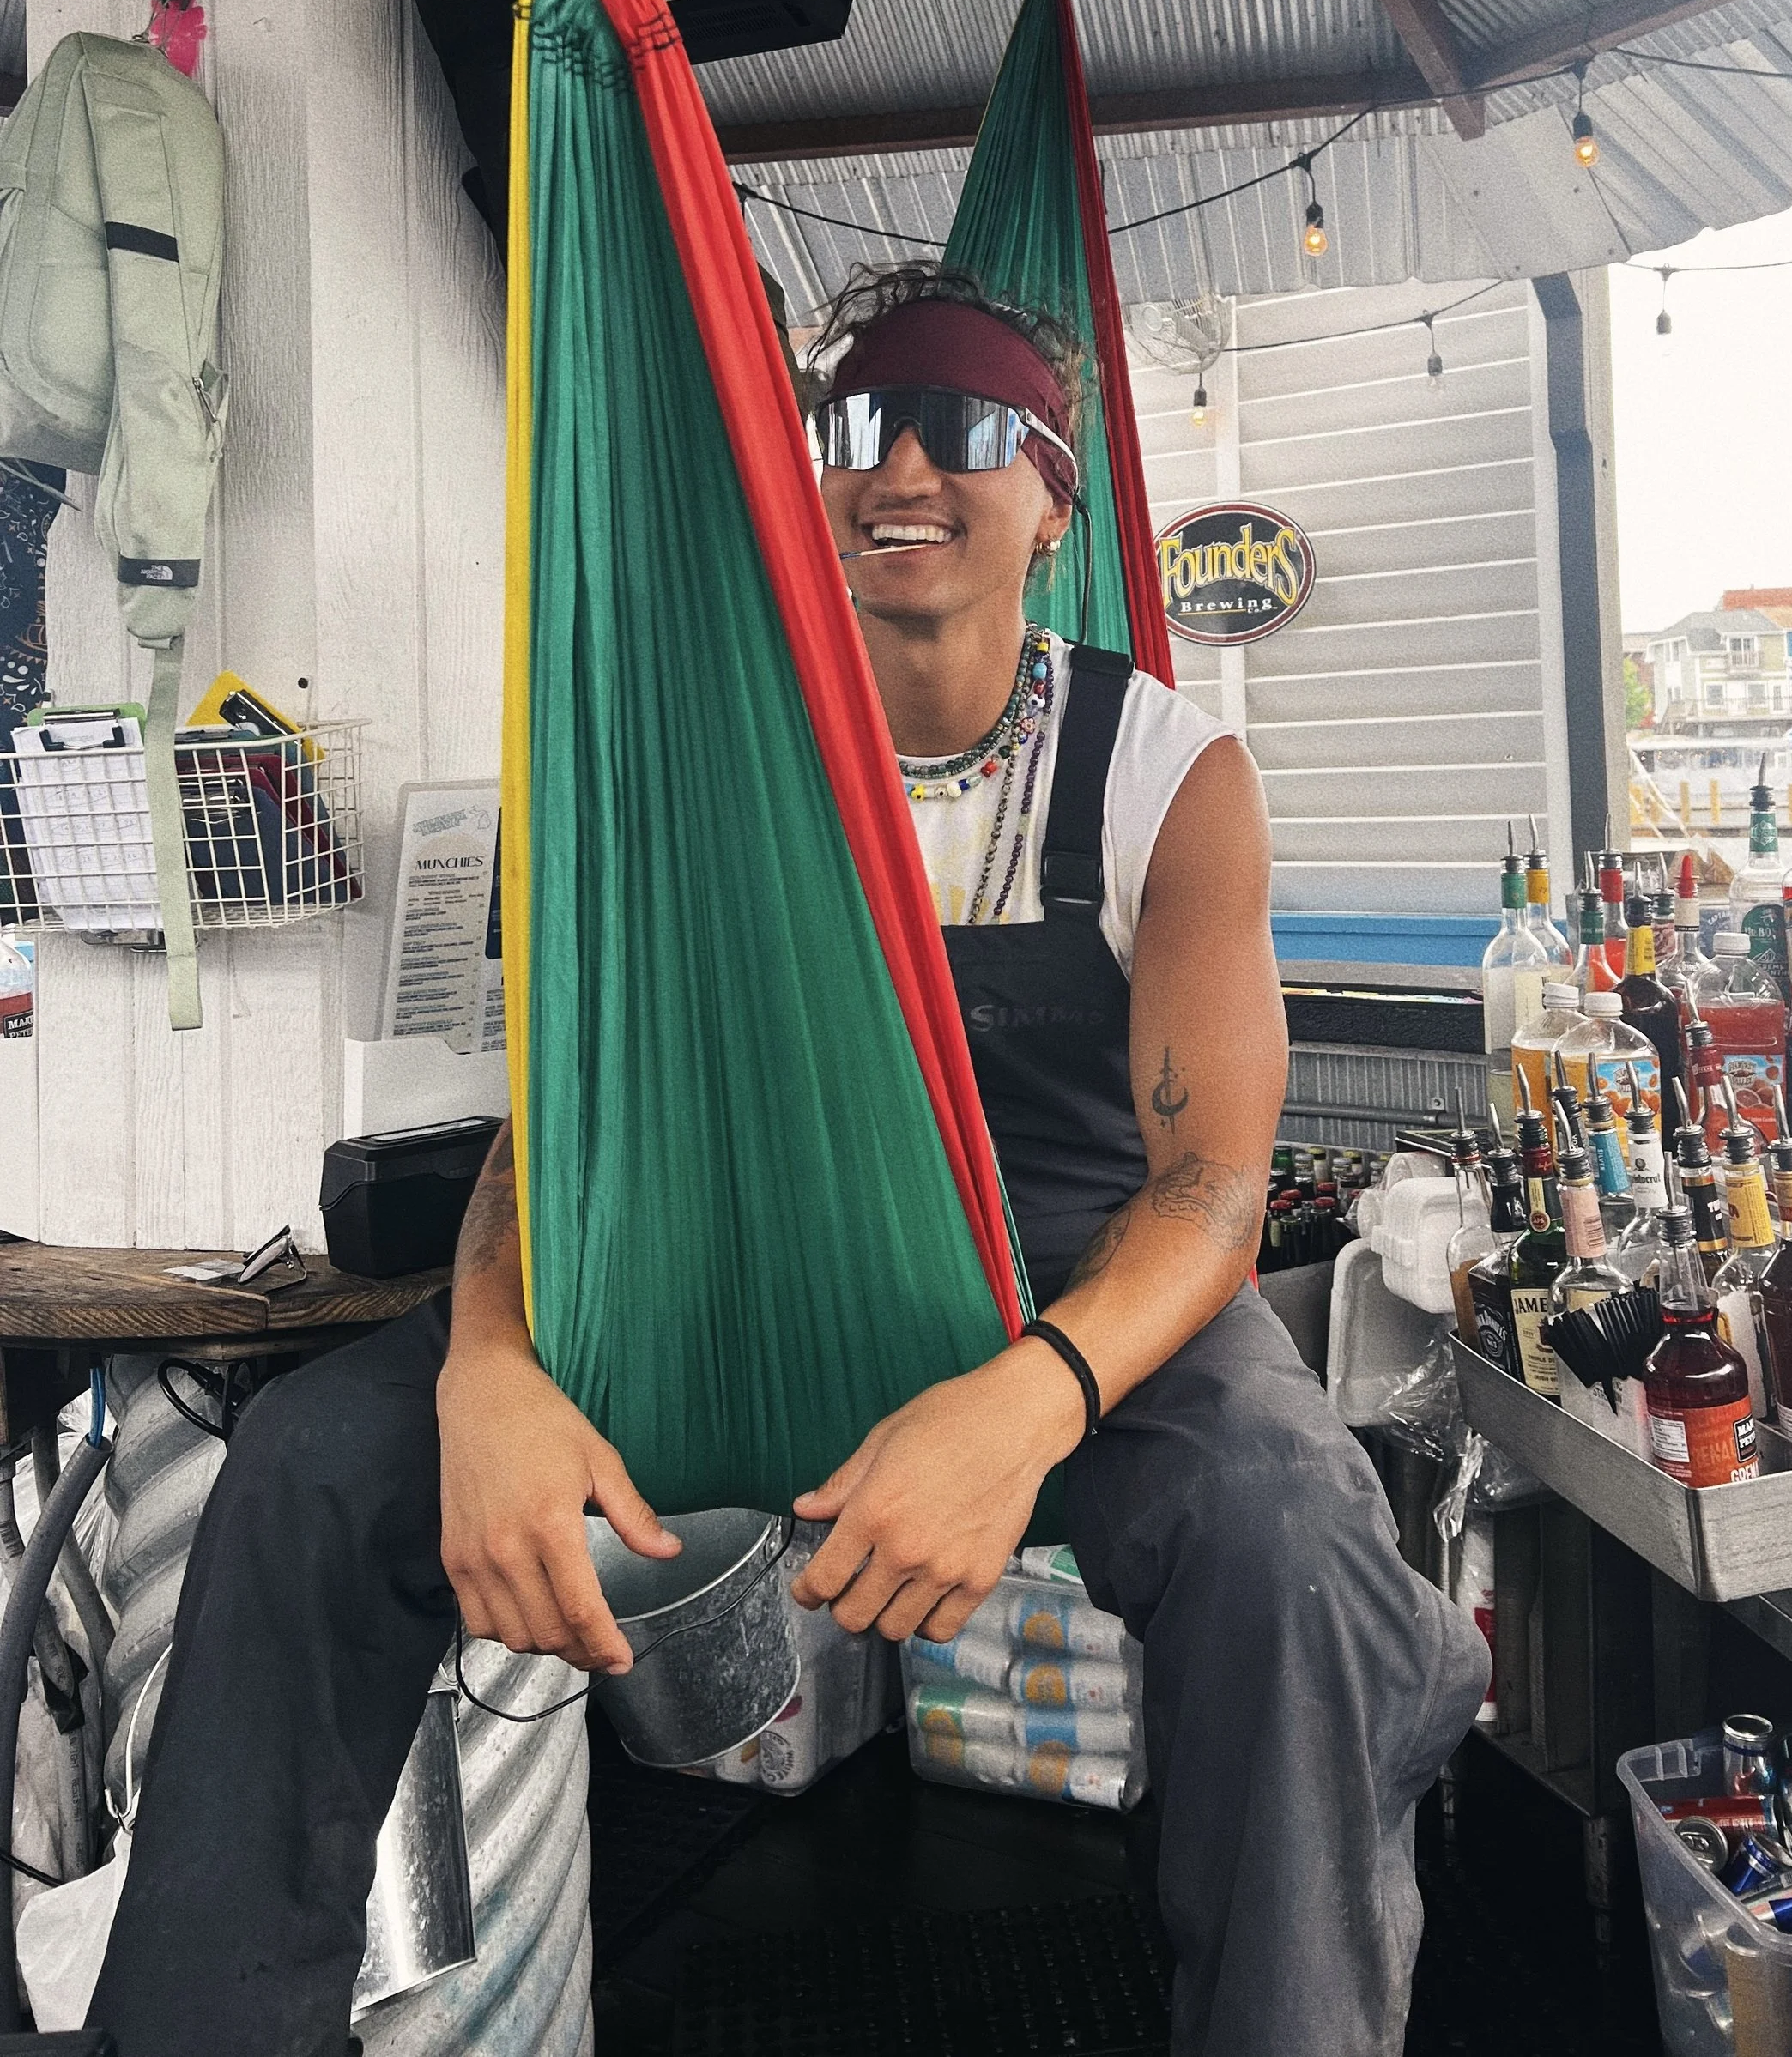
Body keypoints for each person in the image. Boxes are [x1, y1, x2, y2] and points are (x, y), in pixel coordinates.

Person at [89, 265, 1486, 2056]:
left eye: (965, 425)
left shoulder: (1161, 771)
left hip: (1062, 1289)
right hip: (723, 1275)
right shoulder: (686, 759)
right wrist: (491, 1360)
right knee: (306, 1469)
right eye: (855, 424)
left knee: (1294, 1534)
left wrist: (1031, 1395)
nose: (901, 460)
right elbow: (566, 1123)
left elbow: (1211, 1178)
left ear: (1053, 498)